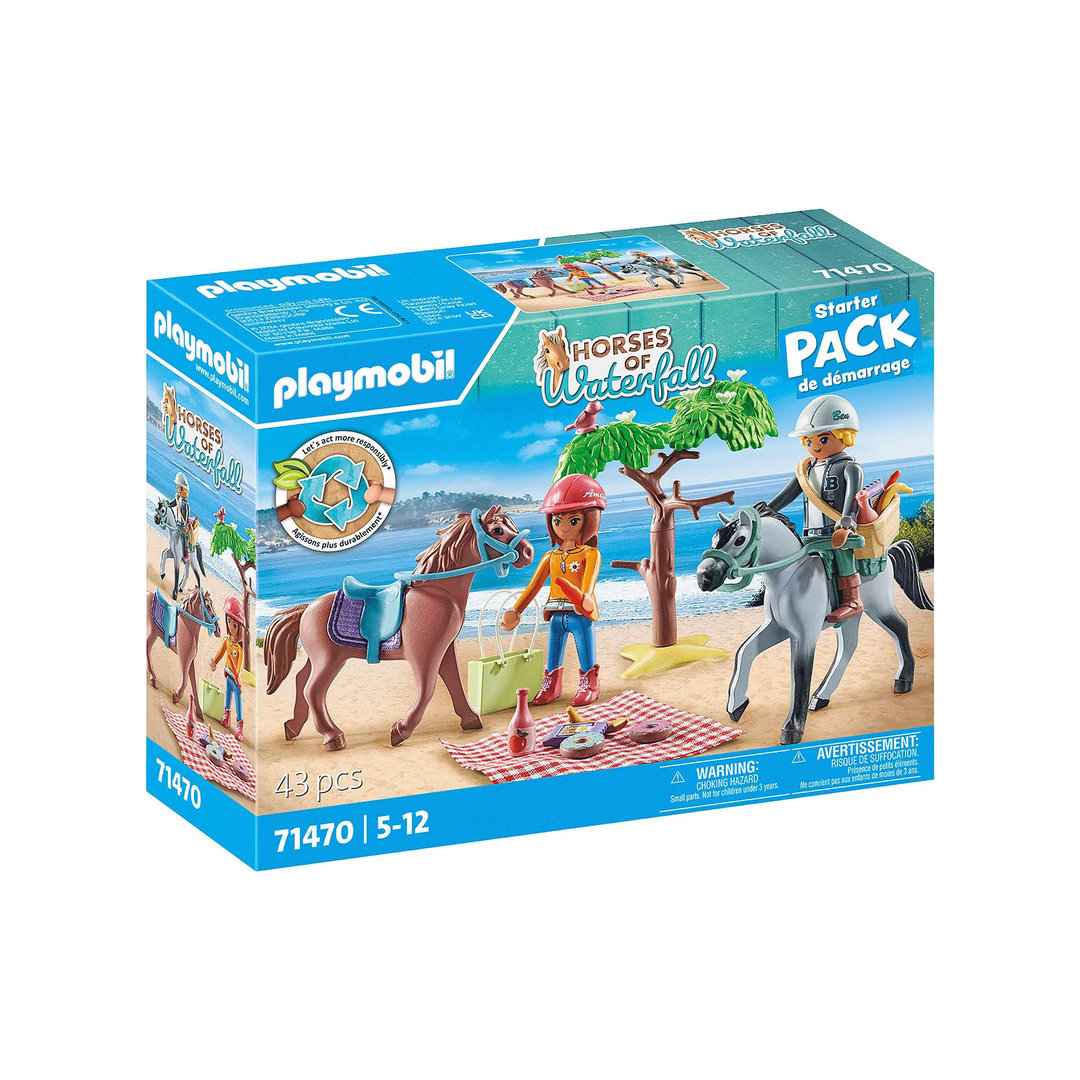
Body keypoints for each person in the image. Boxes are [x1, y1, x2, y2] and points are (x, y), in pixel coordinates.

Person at [501, 474, 606, 706]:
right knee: (553, 652)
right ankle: (551, 684)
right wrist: (517, 610)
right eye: (558, 521)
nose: (564, 527)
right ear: (551, 523)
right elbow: (534, 586)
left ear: (590, 520)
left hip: (579, 613)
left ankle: (590, 683)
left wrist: (586, 598)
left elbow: (589, 583)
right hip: (556, 613)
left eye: (574, 521)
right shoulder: (550, 556)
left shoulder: (590, 554)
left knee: (585, 651)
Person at [766, 394, 865, 622]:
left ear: (845, 436)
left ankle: (853, 599)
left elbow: (852, 497)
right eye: (809, 441)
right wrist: (766, 509)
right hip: (810, 533)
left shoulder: (849, 468)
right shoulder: (806, 470)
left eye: (823, 439)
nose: (815, 446)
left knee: (842, 554)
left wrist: (847, 518)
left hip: (837, 531)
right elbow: (788, 494)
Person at [211, 596, 246, 741]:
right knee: (227, 697)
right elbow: (220, 652)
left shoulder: (239, 647)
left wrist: (238, 675)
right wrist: (214, 661)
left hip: (235, 679)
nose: (231, 626)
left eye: (234, 624)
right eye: (229, 621)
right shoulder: (227, 641)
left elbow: (239, 664)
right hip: (228, 675)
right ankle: (226, 716)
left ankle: (239, 724)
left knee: (237, 700)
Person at [168, 472, 192, 562]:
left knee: (185, 537)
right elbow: (171, 504)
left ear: (184, 491)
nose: (179, 490)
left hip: (183, 525)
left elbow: (186, 515)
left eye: (180, 489)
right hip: (177, 523)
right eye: (178, 488)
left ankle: (187, 555)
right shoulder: (177, 498)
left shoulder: (185, 504)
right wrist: (166, 504)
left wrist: (185, 526)